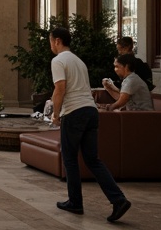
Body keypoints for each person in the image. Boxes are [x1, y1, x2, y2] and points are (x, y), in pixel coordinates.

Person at [48, 26, 131, 222]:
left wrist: (55, 114)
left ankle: (75, 202)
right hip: (90, 111)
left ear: (57, 41)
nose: (50, 45)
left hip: (74, 112)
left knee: (69, 158)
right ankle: (118, 199)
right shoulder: (78, 61)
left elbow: (60, 89)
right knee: (92, 160)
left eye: (51, 41)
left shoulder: (58, 60)